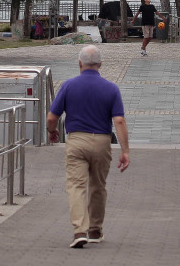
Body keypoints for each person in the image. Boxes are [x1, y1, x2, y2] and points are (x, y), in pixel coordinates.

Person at [46, 46, 130, 248]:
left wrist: (52, 131)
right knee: (98, 187)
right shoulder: (111, 88)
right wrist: (125, 151)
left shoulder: (68, 86)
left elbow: (51, 117)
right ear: (100, 64)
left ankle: (79, 231)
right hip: (102, 141)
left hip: (76, 141)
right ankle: (95, 229)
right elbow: (119, 121)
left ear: (79, 63)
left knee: (76, 186)